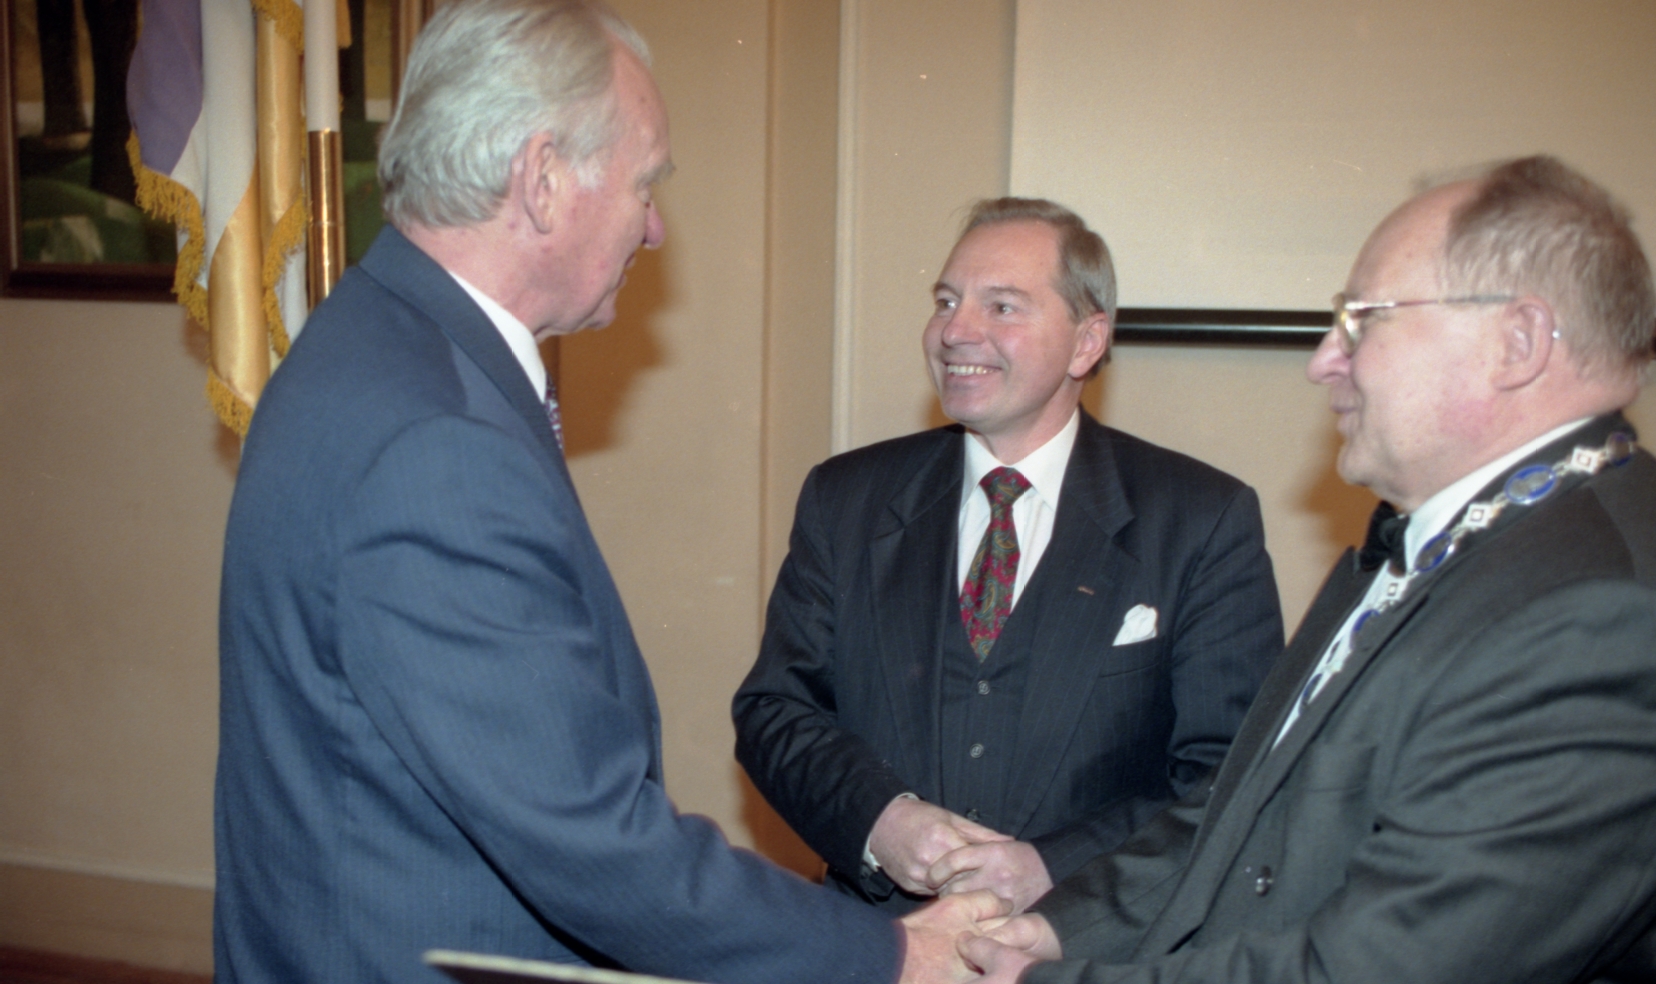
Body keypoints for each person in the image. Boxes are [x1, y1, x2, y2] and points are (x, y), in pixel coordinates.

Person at [212, 1, 985, 981]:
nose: (655, 228)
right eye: (644, 183)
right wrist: (891, 953)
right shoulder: (434, 442)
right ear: (542, 180)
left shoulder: (371, 338)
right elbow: (593, 843)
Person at [955, 155, 1656, 983]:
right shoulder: (1447, 535)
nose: (1323, 360)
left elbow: (1389, 967)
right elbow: (1252, 807)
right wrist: (1058, 928)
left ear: (1518, 344)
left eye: (1362, 321)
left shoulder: (1600, 612)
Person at [733, 198, 1284, 918]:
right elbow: (777, 711)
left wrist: (1053, 870)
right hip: (879, 940)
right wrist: (881, 823)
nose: (954, 331)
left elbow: (1230, 774)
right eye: (946, 301)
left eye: (1001, 306)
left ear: (1086, 343)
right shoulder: (846, 499)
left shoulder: (1200, 519)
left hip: (1087, 947)